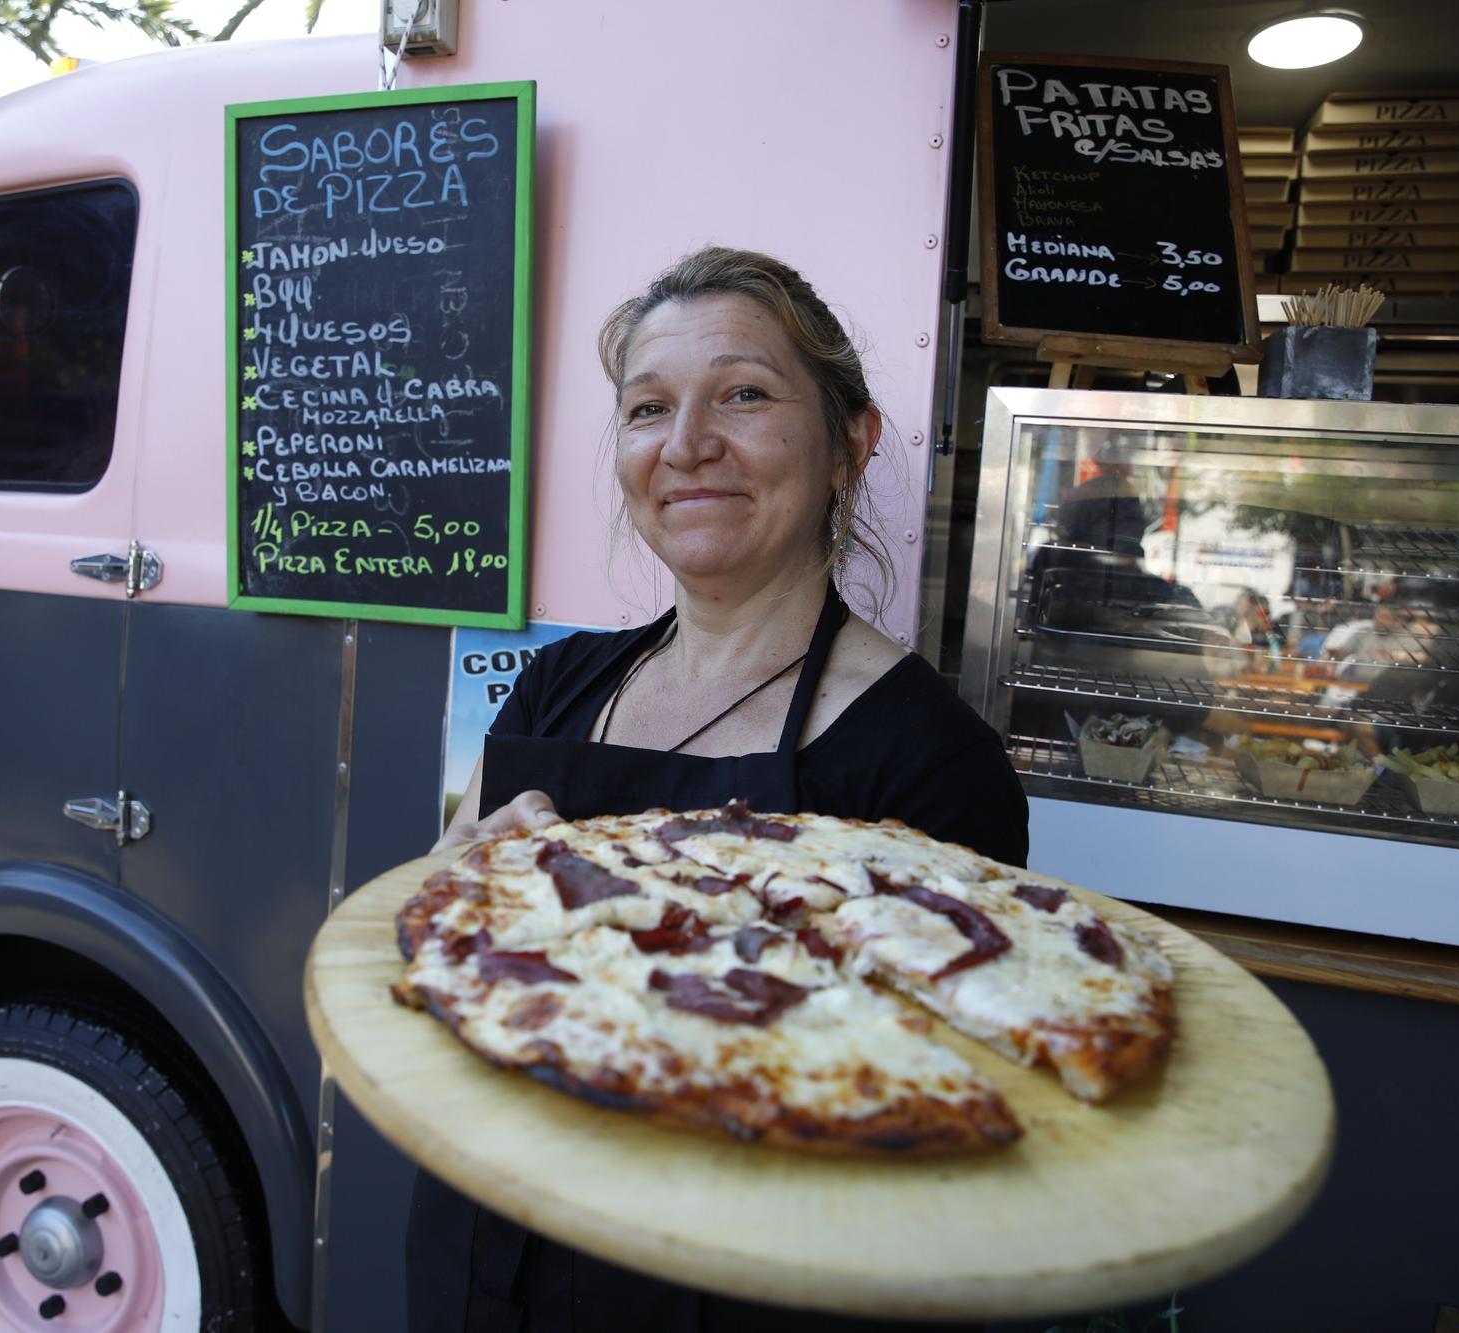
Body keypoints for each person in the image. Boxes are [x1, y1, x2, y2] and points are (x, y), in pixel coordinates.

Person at [407, 246, 1028, 1333]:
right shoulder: (554, 685)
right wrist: (448, 887)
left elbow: (936, 1119)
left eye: (741, 394)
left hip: (741, 1292)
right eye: (649, 409)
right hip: (487, 1253)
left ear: (850, 441)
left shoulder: (930, 760)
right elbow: (418, 952)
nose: (687, 446)